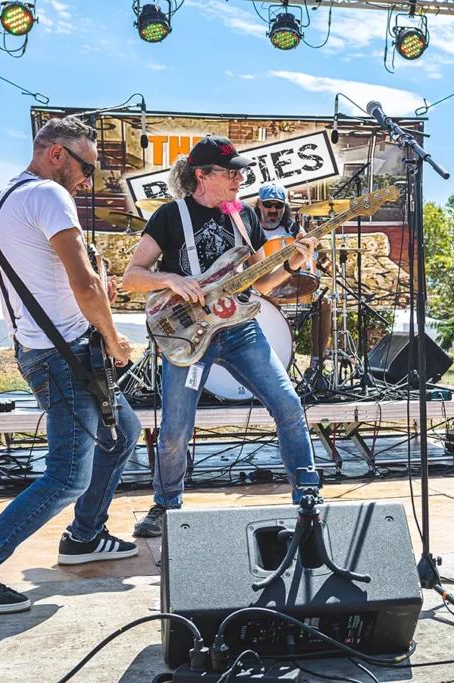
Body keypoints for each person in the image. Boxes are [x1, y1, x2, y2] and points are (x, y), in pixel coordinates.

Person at [0, 117, 142, 614]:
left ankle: (84, 536)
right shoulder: (49, 195)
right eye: (86, 166)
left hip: (58, 347)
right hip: (63, 356)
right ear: (56, 155)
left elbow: (60, 284)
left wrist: (94, 304)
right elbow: (85, 285)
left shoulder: (7, 198)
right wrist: (114, 339)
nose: (88, 180)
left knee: (123, 433)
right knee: (67, 476)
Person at [123, 136, 319, 538]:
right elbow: (131, 277)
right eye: (231, 172)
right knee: (176, 427)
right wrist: (171, 279)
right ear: (202, 175)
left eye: (241, 171)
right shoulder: (169, 215)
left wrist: (295, 259)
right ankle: (165, 504)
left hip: (241, 330)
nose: (240, 178)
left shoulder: (244, 217)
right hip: (188, 335)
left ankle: (308, 496)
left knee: (288, 403)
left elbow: (262, 283)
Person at [254, 182, 332, 387]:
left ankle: (316, 366)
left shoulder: (293, 228)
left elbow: (313, 256)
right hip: (265, 290)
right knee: (270, 300)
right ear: (259, 204)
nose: (273, 210)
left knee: (324, 304)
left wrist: (314, 244)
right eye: (268, 205)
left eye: (278, 206)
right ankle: (274, 368)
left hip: (296, 286)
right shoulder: (250, 227)